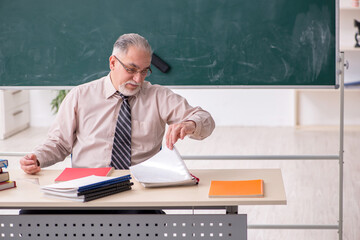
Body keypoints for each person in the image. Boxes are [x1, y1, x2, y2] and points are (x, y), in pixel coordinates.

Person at [20, 33, 215, 176]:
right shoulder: (80, 96)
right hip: (88, 183)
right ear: (112, 63)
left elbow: (205, 119)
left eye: (145, 71)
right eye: (131, 69)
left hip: (140, 186)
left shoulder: (158, 96)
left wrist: (190, 124)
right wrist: (36, 158)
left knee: (147, 223)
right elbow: (59, 143)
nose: (138, 79)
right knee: (31, 215)